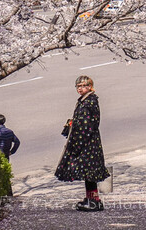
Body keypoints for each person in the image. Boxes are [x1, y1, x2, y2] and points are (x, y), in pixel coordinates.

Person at [55, 75, 110, 212]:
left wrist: (77, 145)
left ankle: (94, 201)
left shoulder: (89, 101)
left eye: (83, 86)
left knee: (89, 173)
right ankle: (92, 198)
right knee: (88, 173)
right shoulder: (85, 100)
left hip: (87, 143)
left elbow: (87, 126)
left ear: (90, 86)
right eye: (78, 86)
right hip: (87, 142)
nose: (80, 88)